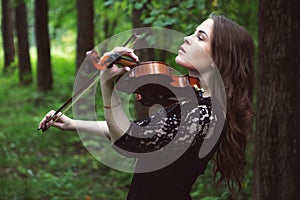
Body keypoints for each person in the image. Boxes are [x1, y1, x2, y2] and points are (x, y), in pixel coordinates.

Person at [39, 14, 254, 199]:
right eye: (193, 33)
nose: (187, 39)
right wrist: (72, 123)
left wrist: (107, 85)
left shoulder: (205, 114)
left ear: (219, 57)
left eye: (200, 37)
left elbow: (127, 141)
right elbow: (135, 129)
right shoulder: (195, 102)